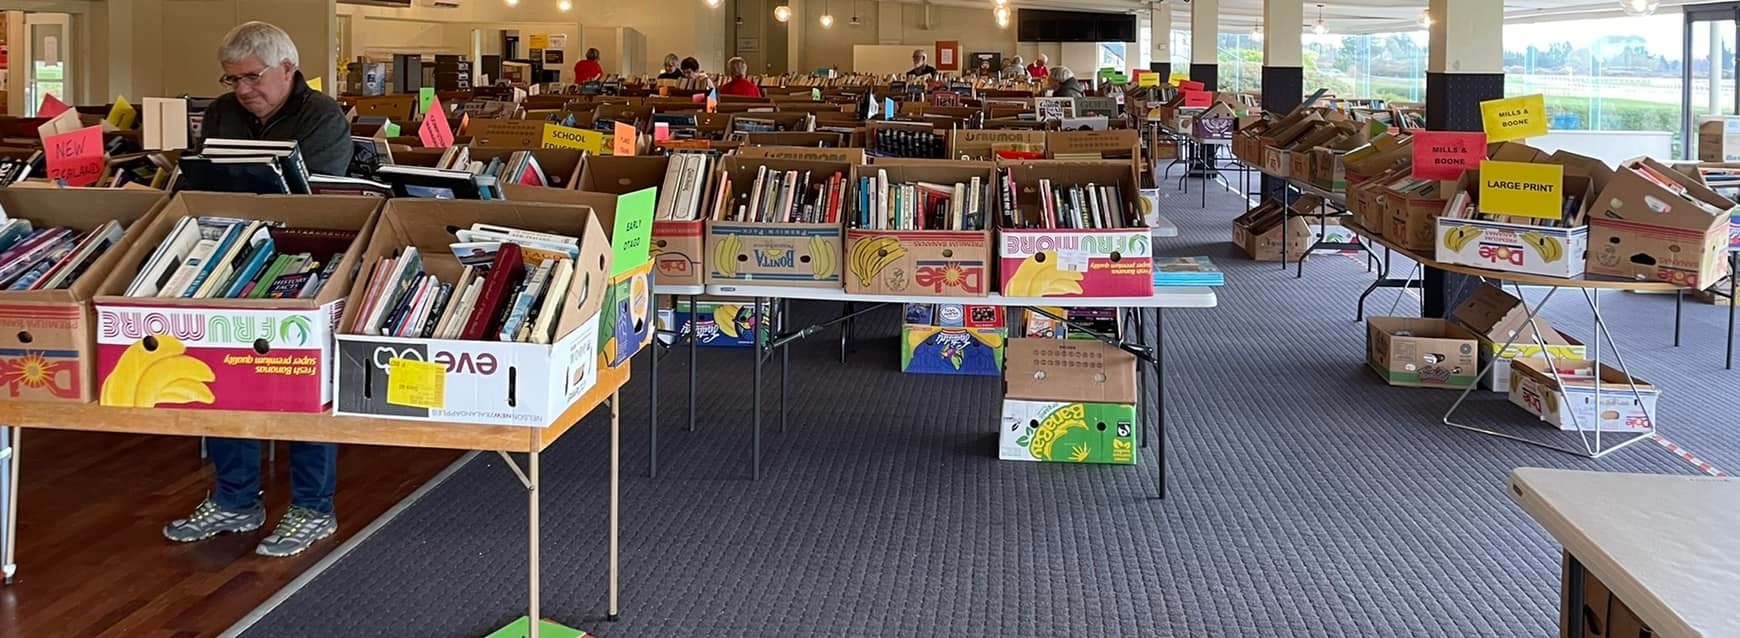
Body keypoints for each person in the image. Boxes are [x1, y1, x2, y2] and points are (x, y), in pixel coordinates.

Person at [164, 21, 352, 558]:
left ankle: (314, 508)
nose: (242, 90)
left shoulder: (322, 117)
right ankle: (234, 498)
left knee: (303, 385)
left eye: (251, 77)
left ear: (287, 69)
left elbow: (313, 204)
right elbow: (204, 184)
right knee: (226, 375)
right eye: (231, 80)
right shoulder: (222, 114)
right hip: (231, 258)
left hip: (306, 264)